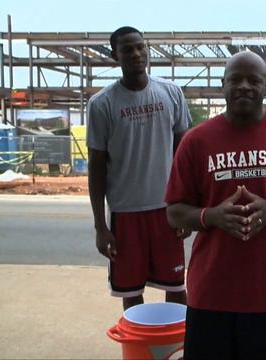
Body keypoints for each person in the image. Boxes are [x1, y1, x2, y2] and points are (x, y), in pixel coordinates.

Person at [164, 51, 266, 360]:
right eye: (235, 79)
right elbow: (174, 211)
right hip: (210, 295)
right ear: (222, 85)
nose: (244, 86)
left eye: (254, 80)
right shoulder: (196, 141)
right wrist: (212, 216)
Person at [87, 26, 192, 310]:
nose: (135, 54)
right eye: (127, 49)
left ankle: (181, 348)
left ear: (147, 49)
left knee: (177, 287)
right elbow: (96, 168)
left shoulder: (171, 93)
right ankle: (139, 351)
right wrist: (100, 225)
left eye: (140, 47)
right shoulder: (101, 104)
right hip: (125, 214)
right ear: (115, 56)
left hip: (167, 210)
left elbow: (184, 155)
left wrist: (187, 207)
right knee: (130, 292)